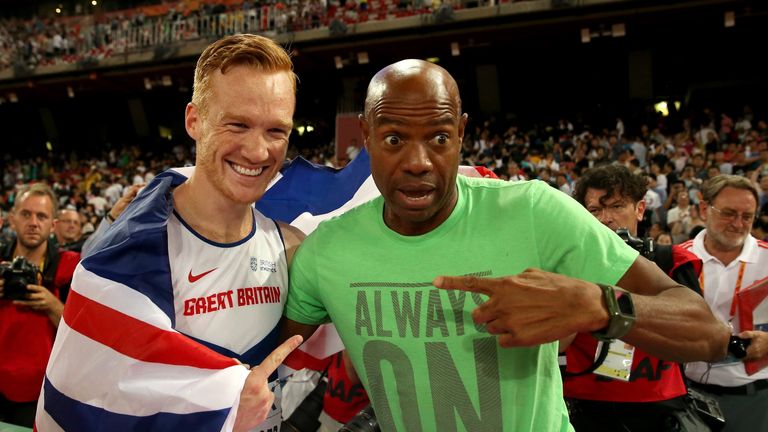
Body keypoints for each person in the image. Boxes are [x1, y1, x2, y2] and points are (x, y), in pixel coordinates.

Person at [282, 59, 729, 431]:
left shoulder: (533, 213)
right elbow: (256, 360)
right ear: (366, 135)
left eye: (439, 138)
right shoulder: (328, 251)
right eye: (395, 139)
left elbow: (708, 333)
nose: (417, 162)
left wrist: (599, 304)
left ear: (461, 133)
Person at [36, 34, 303, 431]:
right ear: (194, 120)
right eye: (238, 124)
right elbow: (86, 400)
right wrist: (223, 410)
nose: (259, 151)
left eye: (276, 131)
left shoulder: (292, 247)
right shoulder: (123, 259)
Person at [567, 164, 705, 431]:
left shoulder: (672, 260)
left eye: (617, 206)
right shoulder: (566, 264)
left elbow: (697, 335)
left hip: (658, 403)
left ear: (640, 209)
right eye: (595, 210)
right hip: (583, 402)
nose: (605, 218)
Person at [680, 175, 768, 432]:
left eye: (747, 216)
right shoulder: (677, 260)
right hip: (688, 395)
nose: (738, 224)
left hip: (754, 398)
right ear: (704, 209)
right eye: (729, 213)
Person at [0, 184, 79, 427]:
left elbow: (85, 332)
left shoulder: (71, 266)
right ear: (12, 220)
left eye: (41, 216)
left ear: (52, 225)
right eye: (26, 214)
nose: (33, 222)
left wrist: (53, 305)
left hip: (41, 390)